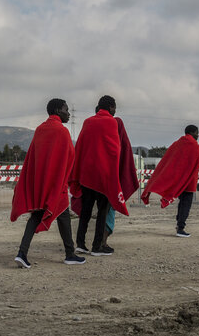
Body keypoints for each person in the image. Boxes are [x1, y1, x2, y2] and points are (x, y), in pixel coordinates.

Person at [10, 99, 85, 268]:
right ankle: (70, 254)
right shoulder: (62, 132)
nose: (69, 113)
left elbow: (33, 158)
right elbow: (69, 158)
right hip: (56, 184)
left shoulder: (40, 130)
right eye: (66, 110)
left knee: (38, 216)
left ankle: (22, 252)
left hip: (40, 183)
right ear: (58, 110)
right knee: (63, 215)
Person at [69, 95, 129, 256]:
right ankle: (97, 247)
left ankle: (80, 244)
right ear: (110, 107)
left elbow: (80, 146)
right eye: (114, 107)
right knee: (102, 212)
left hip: (87, 176)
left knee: (86, 212)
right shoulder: (111, 122)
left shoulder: (88, 122)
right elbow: (114, 151)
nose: (115, 110)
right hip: (103, 176)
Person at [141, 125, 199, 237]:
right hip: (189, 181)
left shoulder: (177, 144)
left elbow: (168, 161)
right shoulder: (195, 146)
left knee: (182, 202)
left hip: (179, 180)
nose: (198, 135)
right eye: (197, 133)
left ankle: (179, 224)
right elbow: (197, 163)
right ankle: (180, 227)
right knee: (186, 203)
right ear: (192, 132)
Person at [96, 116, 139, 251]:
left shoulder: (99, 133)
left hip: (97, 181)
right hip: (110, 182)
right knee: (107, 211)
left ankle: (94, 243)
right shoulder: (118, 131)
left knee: (101, 211)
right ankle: (101, 243)